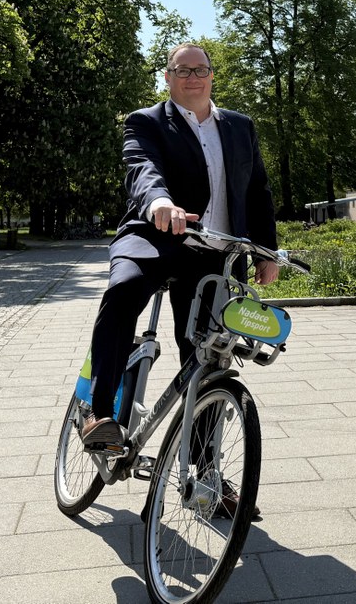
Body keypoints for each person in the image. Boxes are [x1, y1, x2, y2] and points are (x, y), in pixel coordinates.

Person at [80, 42, 278, 514]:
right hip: (155, 240)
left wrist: (266, 250)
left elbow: (257, 190)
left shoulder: (240, 126)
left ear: (212, 75)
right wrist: (159, 202)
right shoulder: (147, 121)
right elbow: (141, 169)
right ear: (167, 77)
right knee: (123, 291)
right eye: (182, 70)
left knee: (208, 361)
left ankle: (205, 477)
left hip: (215, 256)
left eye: (200, 69)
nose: (192, 77)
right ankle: (98, 413)